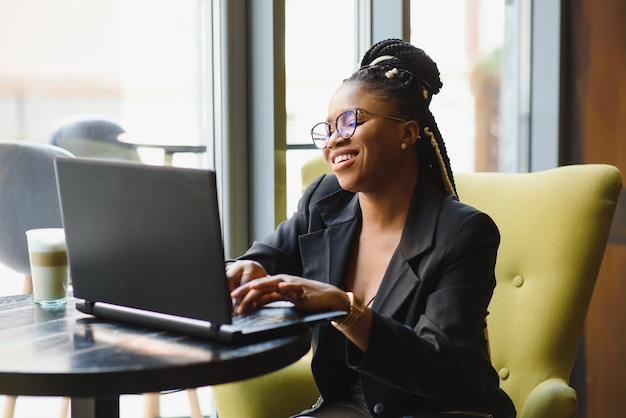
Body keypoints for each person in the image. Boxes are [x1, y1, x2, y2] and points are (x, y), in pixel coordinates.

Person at [227, 38, 516, 418]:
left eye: (351, 121)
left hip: (442, 410)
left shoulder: (463, 233)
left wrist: (345, 309)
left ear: (407, 134)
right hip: (349, 407)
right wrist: (249, 267)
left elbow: (436, 368)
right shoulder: (325, 200)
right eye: (327, 129)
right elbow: (268, 256)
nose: (334, 140)